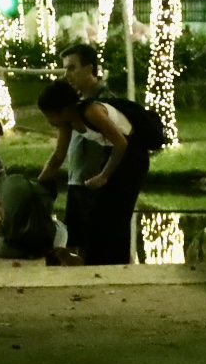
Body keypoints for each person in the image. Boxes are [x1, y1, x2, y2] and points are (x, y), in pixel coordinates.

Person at [36, 79, 158, 265]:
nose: (49, 122)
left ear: (65, 109)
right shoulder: (67, 122)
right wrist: (38, 185)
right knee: (97, 216)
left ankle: (117, 264)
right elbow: (58, 157)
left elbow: (121, 142)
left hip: (132, 156)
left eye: (50, 115)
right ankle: (95, 262)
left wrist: (104, 176)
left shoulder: (91, 111)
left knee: (116, 215)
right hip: (113, 154)